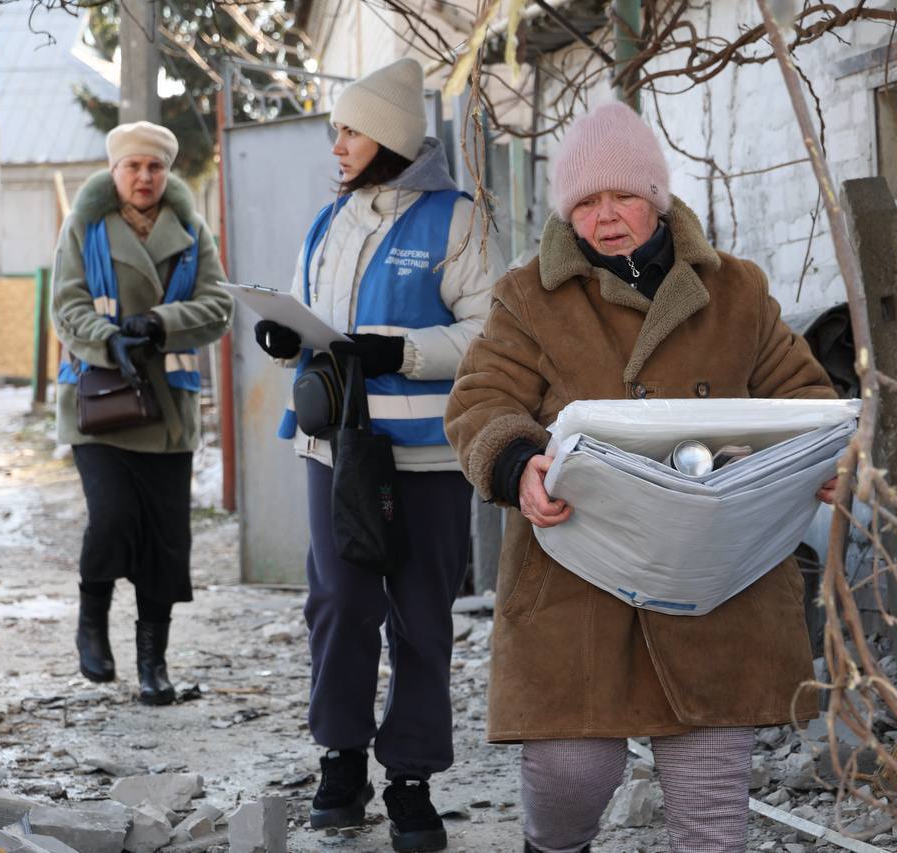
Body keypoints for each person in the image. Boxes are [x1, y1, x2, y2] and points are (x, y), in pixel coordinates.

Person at [444, 102, 839, 853]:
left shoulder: (736, 294)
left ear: (655, 198)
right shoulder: (529, 297)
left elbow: (807, 397)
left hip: (715, 577)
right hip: (577, 569)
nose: (606, 217)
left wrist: (812, 462)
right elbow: (482, 399)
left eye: (622, 196)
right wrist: (515, 461)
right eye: (586, 203)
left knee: (710, 810)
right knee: (569, 776)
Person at [251, 57, 504, 853]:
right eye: (335, 130)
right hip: (334, 452)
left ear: (388, 137)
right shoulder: (328, 222)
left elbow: (490, 332)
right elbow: (311, 314)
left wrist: (404, 350)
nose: (337, 143)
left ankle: (413, 776)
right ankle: (341, 759)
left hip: (426, 459)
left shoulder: (456, 220)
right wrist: (282, 337)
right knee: (337, 607)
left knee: (421, 619)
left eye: (350, 130)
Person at [52, 121, 233, 706]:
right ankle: (91, 626)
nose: (144, 177)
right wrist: (110, 340)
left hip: (167, 414)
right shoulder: (86, 228)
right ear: (115, 171)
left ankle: (153, 663)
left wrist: (160, 323)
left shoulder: (190, 230)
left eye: (154, 167)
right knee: (111, 517)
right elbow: (67, 305)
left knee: (165, 540)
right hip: (99, 403)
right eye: (133, 166)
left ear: (167, 172)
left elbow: (218, 306)